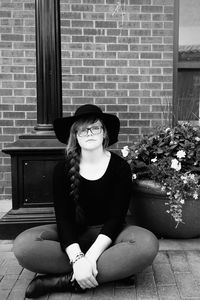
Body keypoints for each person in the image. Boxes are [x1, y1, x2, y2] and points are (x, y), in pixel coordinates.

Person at [13, 104, 159, 298]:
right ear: (75, 135)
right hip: (73, 235)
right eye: (82, 129)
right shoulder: (62, 169)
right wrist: (77, 258)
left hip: (110, 235)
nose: (89, 133)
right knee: (24, 246)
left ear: (104, 133)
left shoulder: (120, 167)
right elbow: (64, 220)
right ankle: (112, 270)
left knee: (146, 244)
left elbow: (116, 218)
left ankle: (62, 281)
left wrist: (89, 257)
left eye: (95, 127)